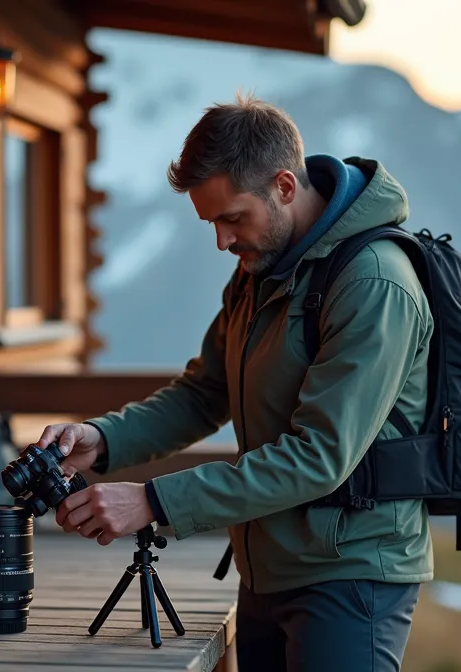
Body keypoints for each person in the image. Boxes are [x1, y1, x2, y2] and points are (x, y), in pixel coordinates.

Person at [37, 92, 433, 672]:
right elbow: (204, 393)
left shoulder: (373, 284)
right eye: (210, 222)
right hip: (267, 570)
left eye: (231, 218)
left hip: (351, 578)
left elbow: (319, 456)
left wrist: (153, 500)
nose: (221, 241)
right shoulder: (260, 271)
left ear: (285, 187)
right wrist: (103, 440)